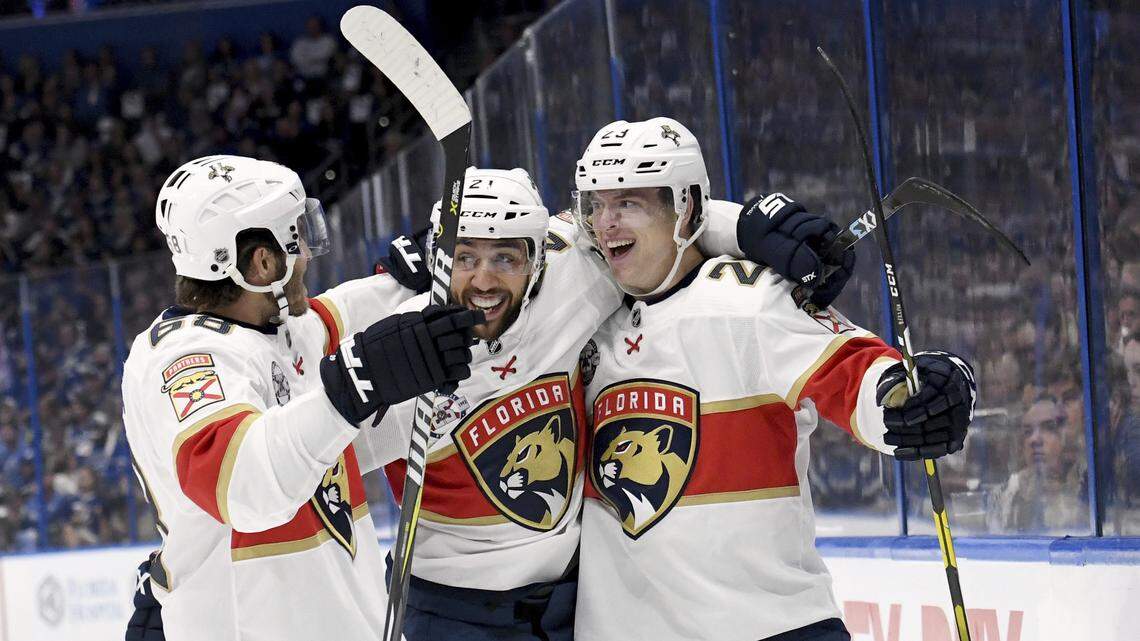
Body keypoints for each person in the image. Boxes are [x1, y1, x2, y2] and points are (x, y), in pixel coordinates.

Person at [361, 152, 859, 641]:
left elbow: (657, 228)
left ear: (536, 257)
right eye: (464, 256)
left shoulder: (575, 270)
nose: (484, 280)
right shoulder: (405, 342)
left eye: (504, 256)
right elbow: (312, 453)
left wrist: (748, 229)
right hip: (454, 609)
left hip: (567, 603)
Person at [569, 118, 977, 641]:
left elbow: (857, 376)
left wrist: (916, 394)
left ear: (685, 207)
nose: (605, 223)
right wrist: (739, 222)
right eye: (596, 204)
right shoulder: (582, 307)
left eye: (629, 203)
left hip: (770, 627)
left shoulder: (748, 300)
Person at [123, 154, 479, 641]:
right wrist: (358, 383)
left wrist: (400, 280)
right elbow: (241, 484)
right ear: (262, 262)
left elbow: (336, 319)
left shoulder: (272, 329)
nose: (309, 253)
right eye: (297, 237)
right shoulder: (185, 359)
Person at [989, 394, 1087, 534]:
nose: (1034, 439)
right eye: (1028, 432)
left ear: (1067, 436)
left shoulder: (1089, 486)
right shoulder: (1008, 495)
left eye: (1049, 428)